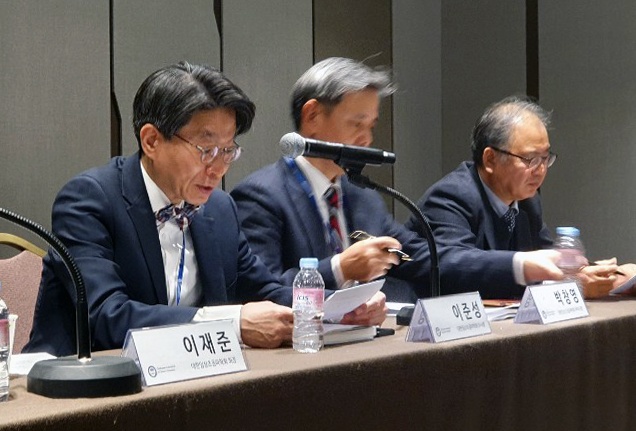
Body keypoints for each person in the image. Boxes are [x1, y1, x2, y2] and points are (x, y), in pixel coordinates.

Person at [24, 62, 299, 356]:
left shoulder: (219, 209)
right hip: (84, 375)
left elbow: (266, 291)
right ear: (151, 141)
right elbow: (106, 316)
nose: (219, 168)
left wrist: (327, 307)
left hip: (192, 376)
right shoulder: (88, 200)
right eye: (206, 150)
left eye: (228, 150)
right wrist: (232, 323)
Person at [231, 57, 430, 308]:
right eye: (357, 124)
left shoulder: (363, 196)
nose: (367, 139)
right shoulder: (260, 196)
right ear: (312, 116)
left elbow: (417, 257)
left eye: (371, 126)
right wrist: (339, 269)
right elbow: (260, 291)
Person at [406, 96, 618, 299]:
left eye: (545, 158)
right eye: (530, 159)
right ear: (490, 159)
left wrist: (590, 274)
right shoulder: (451, 197)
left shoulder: (528, 201)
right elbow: (457, 271)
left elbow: (548, 260)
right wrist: (560, 280)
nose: (541, 170)